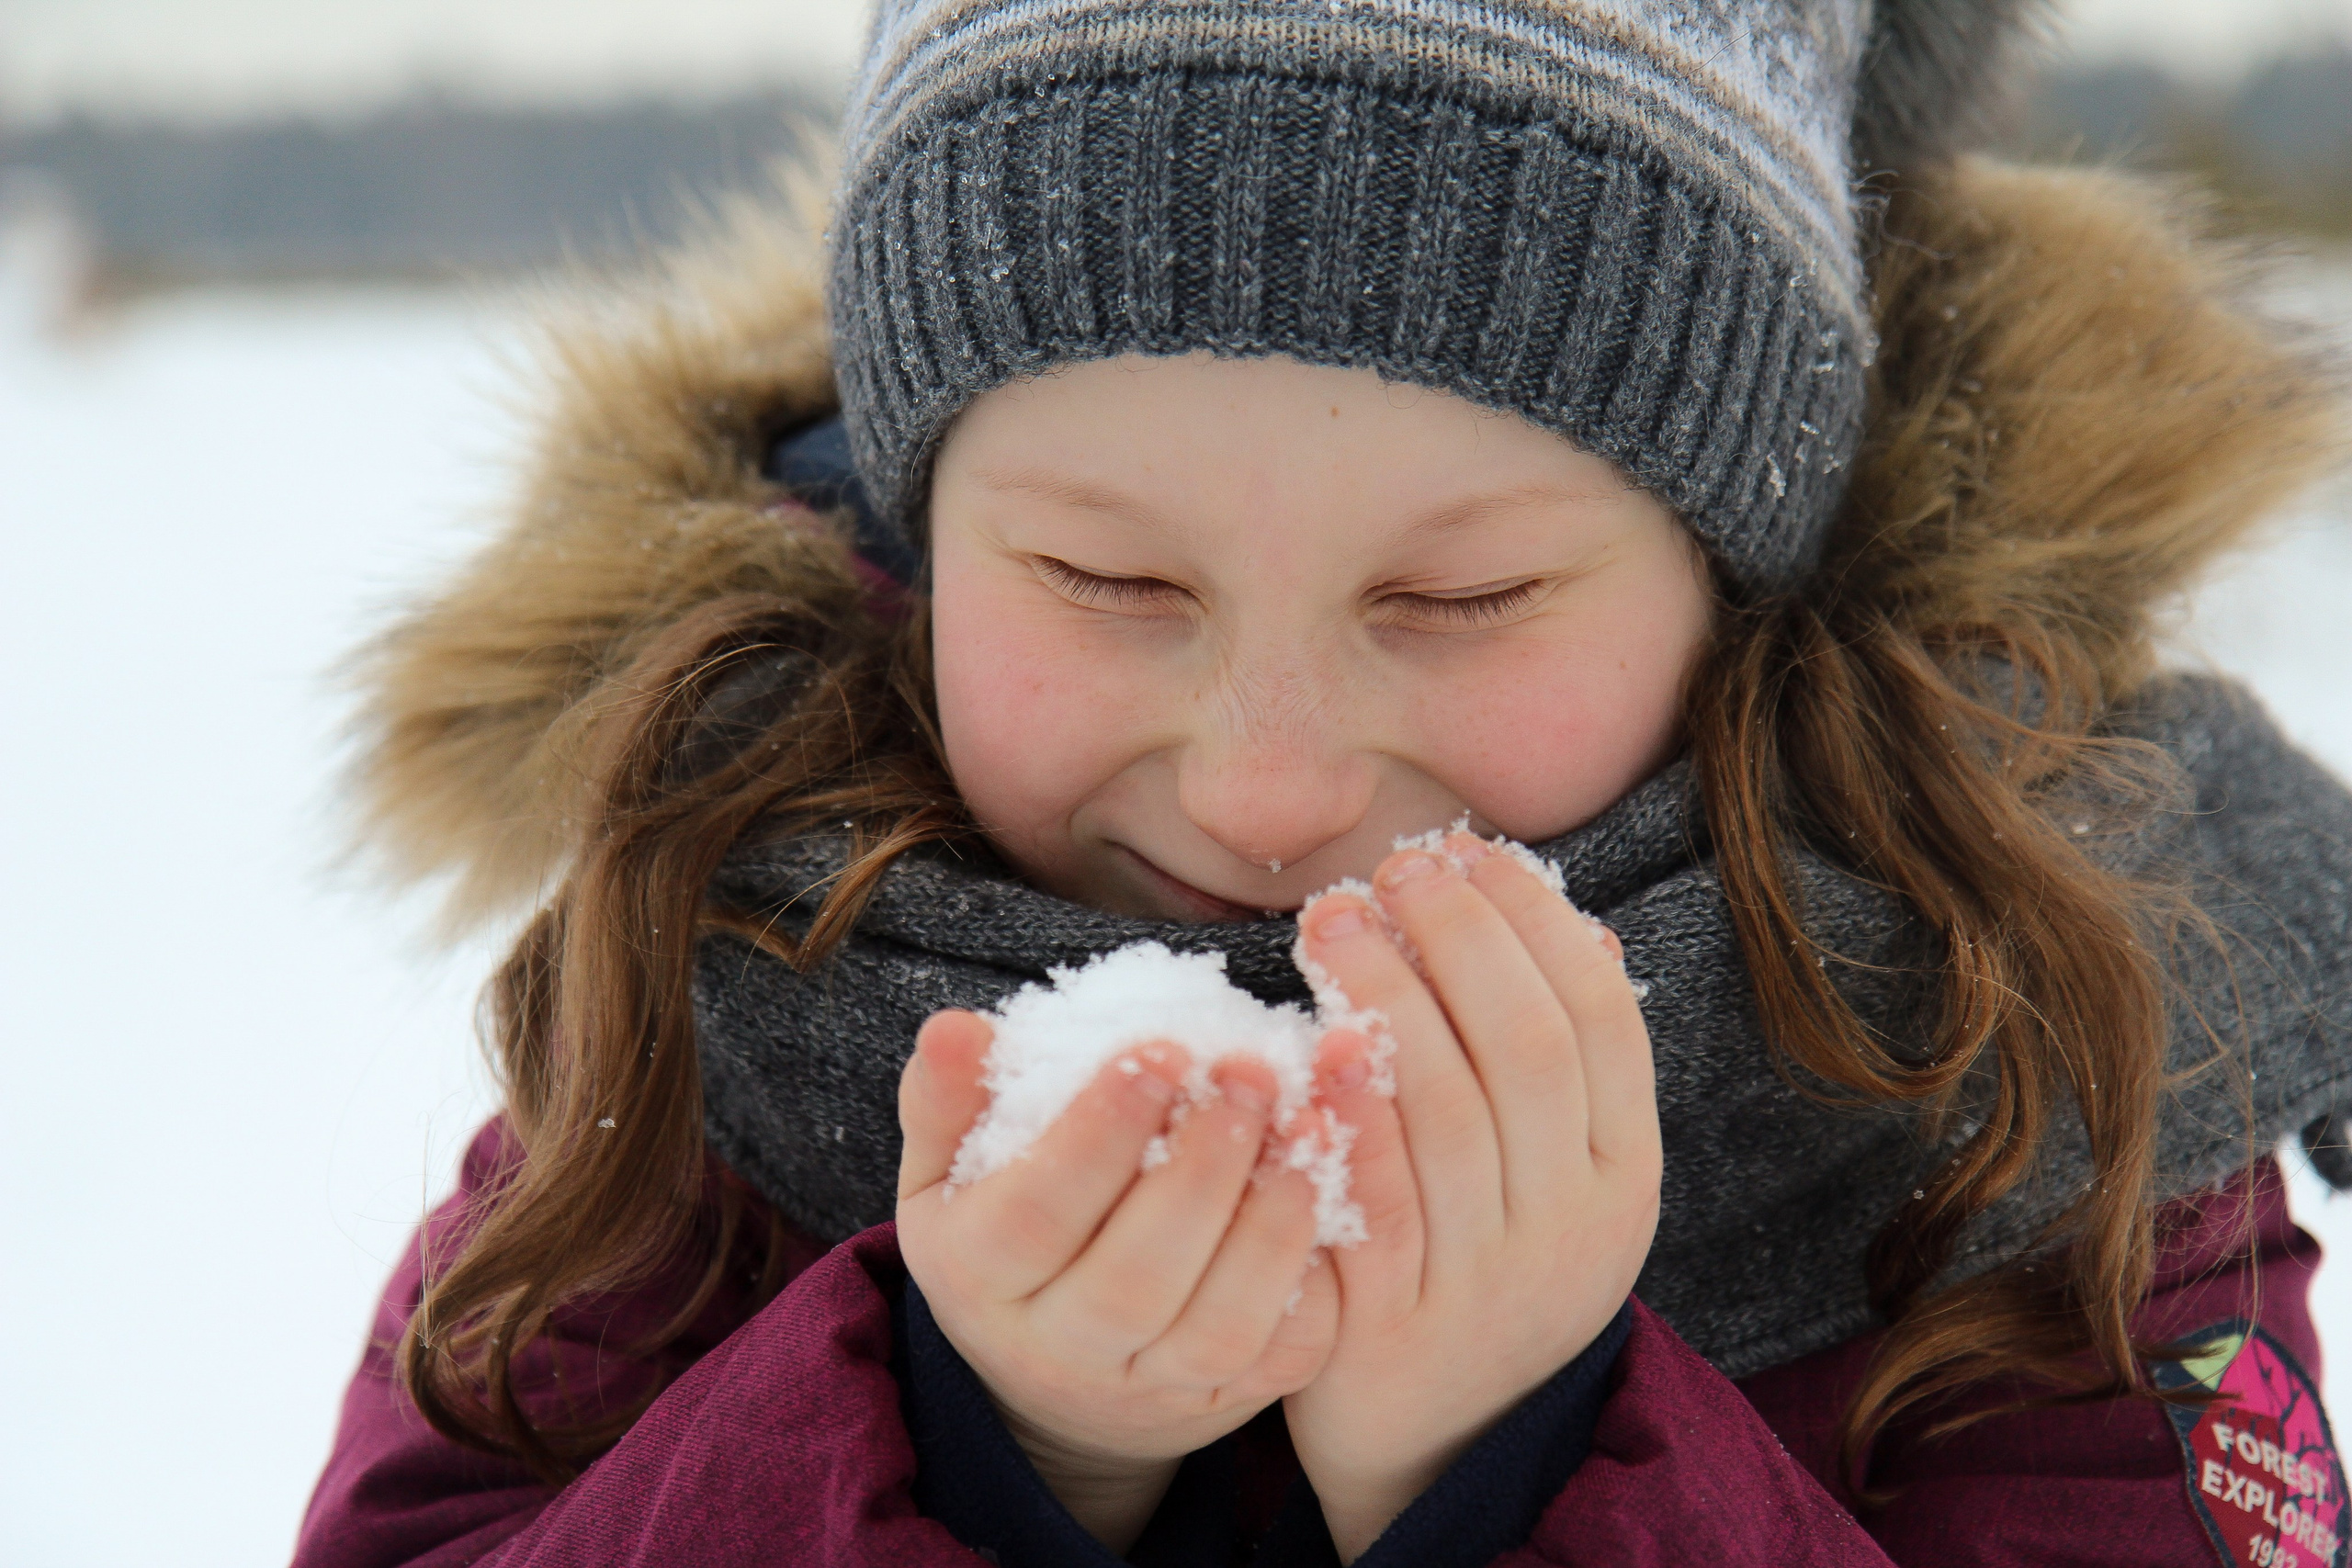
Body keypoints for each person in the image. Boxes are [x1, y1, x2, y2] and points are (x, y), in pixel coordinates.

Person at [296, 2, 2352, 1563]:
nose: (1264, 784)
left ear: (1743, 578)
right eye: (1105, 579)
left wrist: (1512, 1448)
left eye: (1457, 594)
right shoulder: (711, 971)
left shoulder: (2057, 1039)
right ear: (920, 544)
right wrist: (986, 1438)